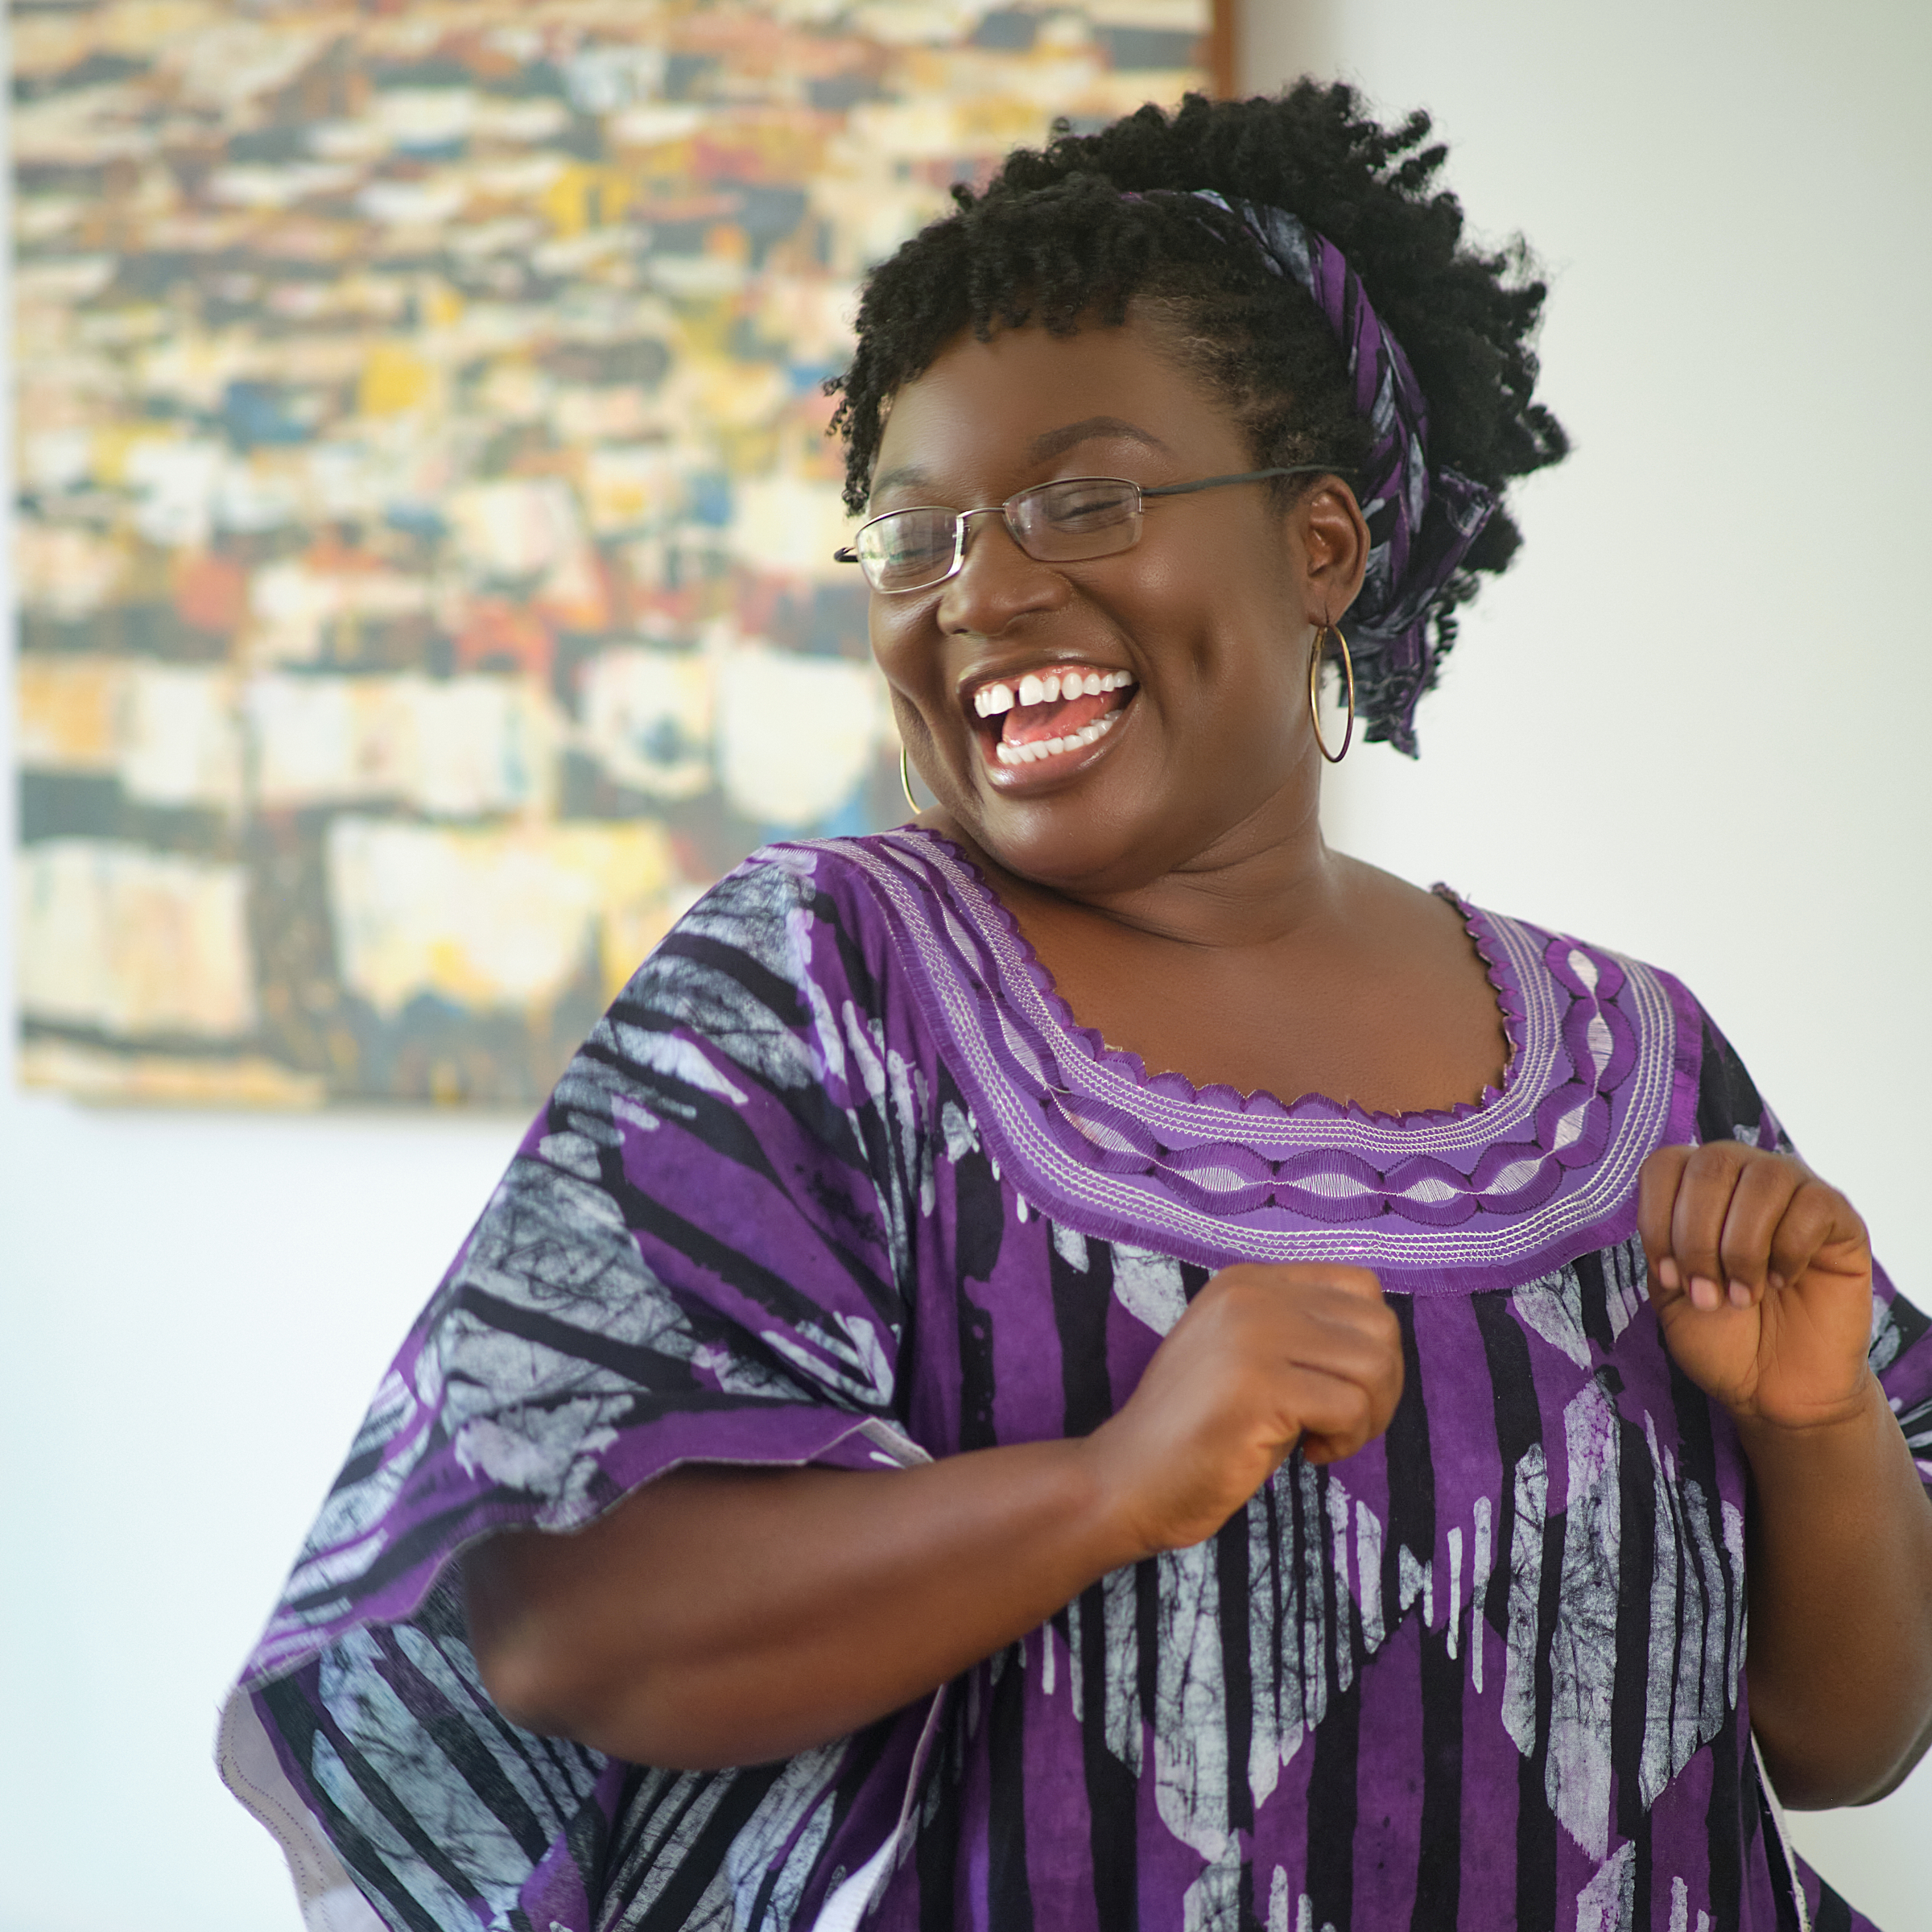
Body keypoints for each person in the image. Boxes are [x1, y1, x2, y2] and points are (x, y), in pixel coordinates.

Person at [219, 85, 1932, 1932]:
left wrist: (1815, 1424)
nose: (985, 592)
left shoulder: (1632, 1065)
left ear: (1322, 548)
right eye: (915, 537)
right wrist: (1111, 1486)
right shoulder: (826, 982)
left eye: (1084, 503)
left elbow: (1851, 1741)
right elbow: (566, 1631)